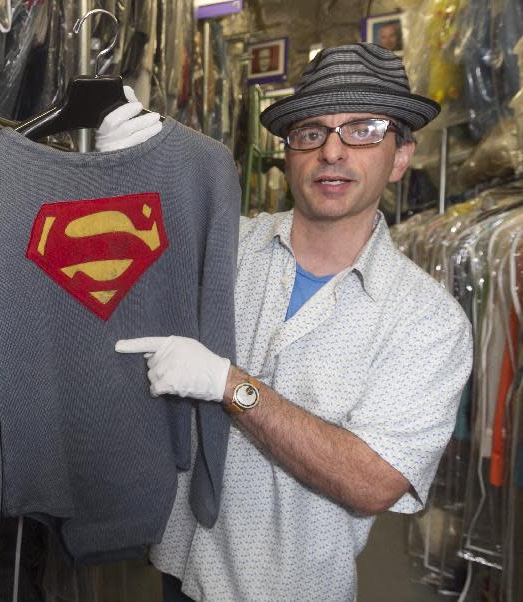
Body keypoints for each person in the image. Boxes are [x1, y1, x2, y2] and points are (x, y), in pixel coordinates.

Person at [97, 43, 473, 601]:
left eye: (363, 129)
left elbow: (372, 480)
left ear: (400, 157)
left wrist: (232, 387)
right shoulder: (226, 247)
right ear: (290, 153)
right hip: (179, 566)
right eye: (311, 131)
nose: (333, 151)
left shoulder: (427, 321)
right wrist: (114, 181)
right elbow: (116, 283)